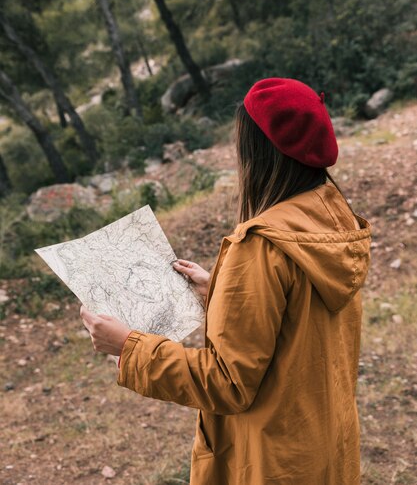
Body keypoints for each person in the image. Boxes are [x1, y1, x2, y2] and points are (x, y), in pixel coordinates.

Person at [80, 77, 371, 485]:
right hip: (324, 447)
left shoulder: (260, 246)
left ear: (257, 152)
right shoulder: (332, 216)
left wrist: (129, 348)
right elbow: (297, 323)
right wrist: (220, 288)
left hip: (272, 462)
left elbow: (228, 383)